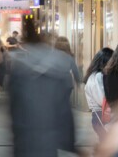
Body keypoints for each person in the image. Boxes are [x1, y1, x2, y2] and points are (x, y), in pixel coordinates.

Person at [8, 17, 77, 157]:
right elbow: (64, 115)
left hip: (24, 143)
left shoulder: (18, 72)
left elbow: (14, 112)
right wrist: (69, 145)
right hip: (50, 142)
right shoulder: (59, 69)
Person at [83, 47, 114, 140]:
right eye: (112, 61)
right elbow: (102, 100)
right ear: (105, 62)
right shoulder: (98, 77)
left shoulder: (94, 76)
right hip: (102, 117)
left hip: (99, 118)